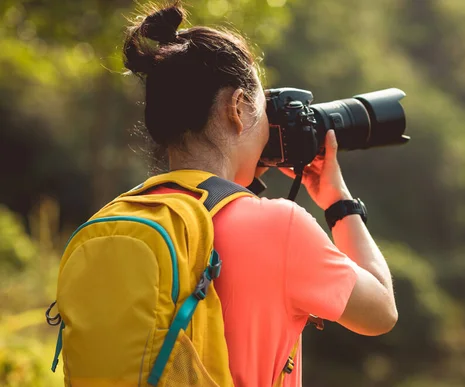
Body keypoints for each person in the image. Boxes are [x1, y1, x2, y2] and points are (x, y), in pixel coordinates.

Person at [122, 2, 398, 386]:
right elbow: (381, 311)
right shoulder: (278, 227)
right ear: (238, 108)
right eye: (264, 109)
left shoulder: (127, 216)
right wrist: (339, 202)